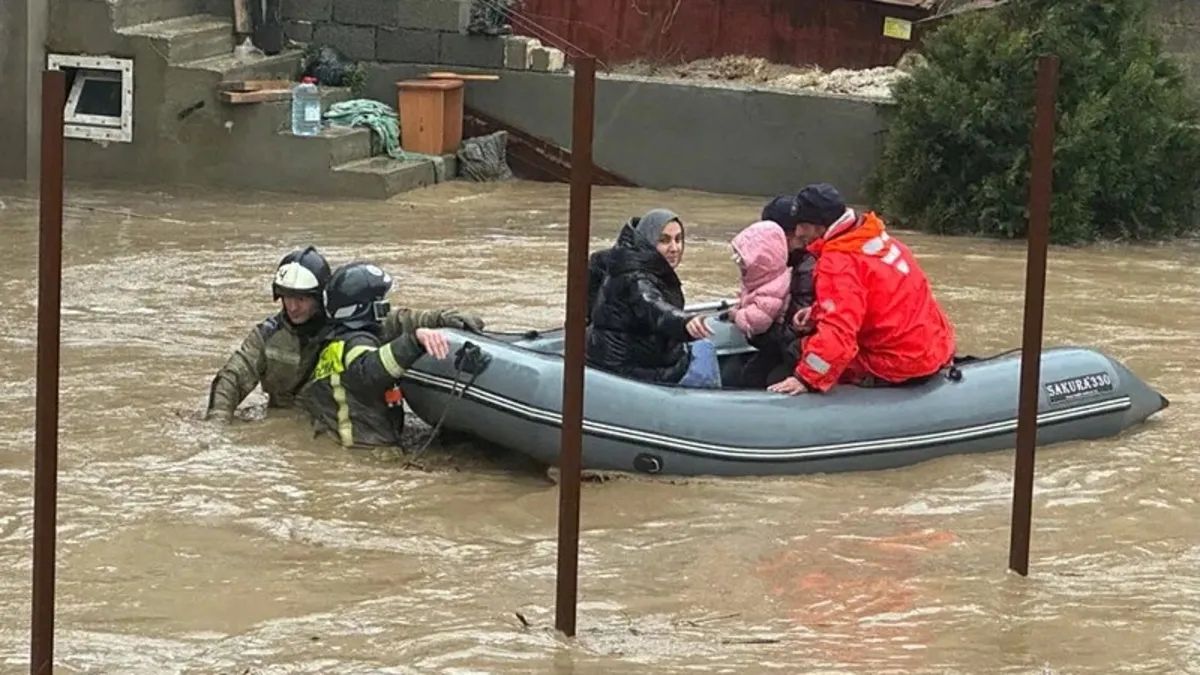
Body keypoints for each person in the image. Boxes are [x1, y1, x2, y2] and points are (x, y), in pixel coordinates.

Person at [205, 245, 486, 422]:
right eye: (286, 297)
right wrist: (218, 424)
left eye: (301, 298)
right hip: (289, 423)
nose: (292, 306)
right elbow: (232, 377)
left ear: (320, 297)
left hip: (335, 425)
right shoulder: (267, 336)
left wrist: (445, 319)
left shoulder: (350, 324)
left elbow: (402, 321)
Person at [768, 183, 956, 395]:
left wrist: (805, 378)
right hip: (932, 348)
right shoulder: (875, 239)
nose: (800, 233)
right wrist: (817, 312)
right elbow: (870, 299)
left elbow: (839, 335)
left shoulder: (839, 263)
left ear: (819, 225)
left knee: (797, 351)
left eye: (802, 225)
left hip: (897, 362)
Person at [297, 261, 453, 448]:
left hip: (342, 445)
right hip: (366, 451)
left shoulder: (335, 342)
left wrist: (438, 319)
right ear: (367, 307)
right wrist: (414, 341)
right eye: (381, 302)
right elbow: (370, 371)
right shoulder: (357, 343)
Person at [586, 208, 721, 388]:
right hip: (632, 371)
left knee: (700, 348)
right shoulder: (635, 278)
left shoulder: (622, 259)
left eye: (678, 239)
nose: (674, 248)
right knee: (704, 352)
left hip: (638, 357)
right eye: (664, 241)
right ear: (648, 242)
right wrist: (684, 322)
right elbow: (652, 305)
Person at [722, 197, 818, 388]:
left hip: (798, 354)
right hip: (785, 347)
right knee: (742, 374)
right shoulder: (778, 269)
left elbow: (790, 337)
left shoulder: (806, 271)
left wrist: (753, 329)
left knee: (756, 378)